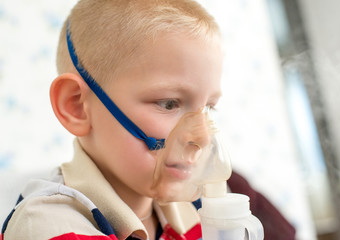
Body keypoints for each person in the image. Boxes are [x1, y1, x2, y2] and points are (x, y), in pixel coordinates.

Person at [1, 0, 223, 239]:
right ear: (76, 106)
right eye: (169, 104)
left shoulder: (197, 210)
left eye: (209, 107)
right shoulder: (49, 226)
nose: (202, 136)